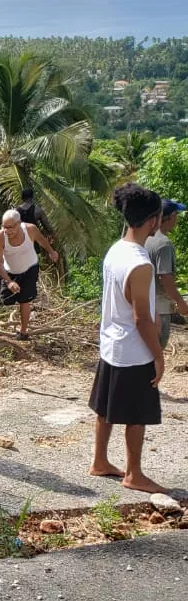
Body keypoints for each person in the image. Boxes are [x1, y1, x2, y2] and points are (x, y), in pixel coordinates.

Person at [89, 182, 167, 493]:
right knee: (138, 414)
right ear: (153, 220)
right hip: (134, 352)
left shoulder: (116, 250)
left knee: (105, 407)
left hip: (110, 344)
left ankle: (100, 461)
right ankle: (134, 473)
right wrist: (159, 355)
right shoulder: (141, 263)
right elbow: (140, 318)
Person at [0, 209, 58, 339]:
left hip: (30, 269)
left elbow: (41, 240)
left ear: (18, 223)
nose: (7, 231)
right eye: (4, 227)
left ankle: (23, 332)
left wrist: (51, 251)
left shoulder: (30, 230)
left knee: (24, 300)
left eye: (10, 227)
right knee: (6, 300)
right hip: (10, 272)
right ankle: (11, 319)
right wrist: (9, 281)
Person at [145, 198, 188, 349]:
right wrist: (180, 303)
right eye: (176, 214)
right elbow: (165, 278)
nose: (177, 218)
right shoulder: (164, 244)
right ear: (168, 217)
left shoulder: (145, 239)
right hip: (160, 309)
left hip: (143, 306)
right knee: (155, 353)